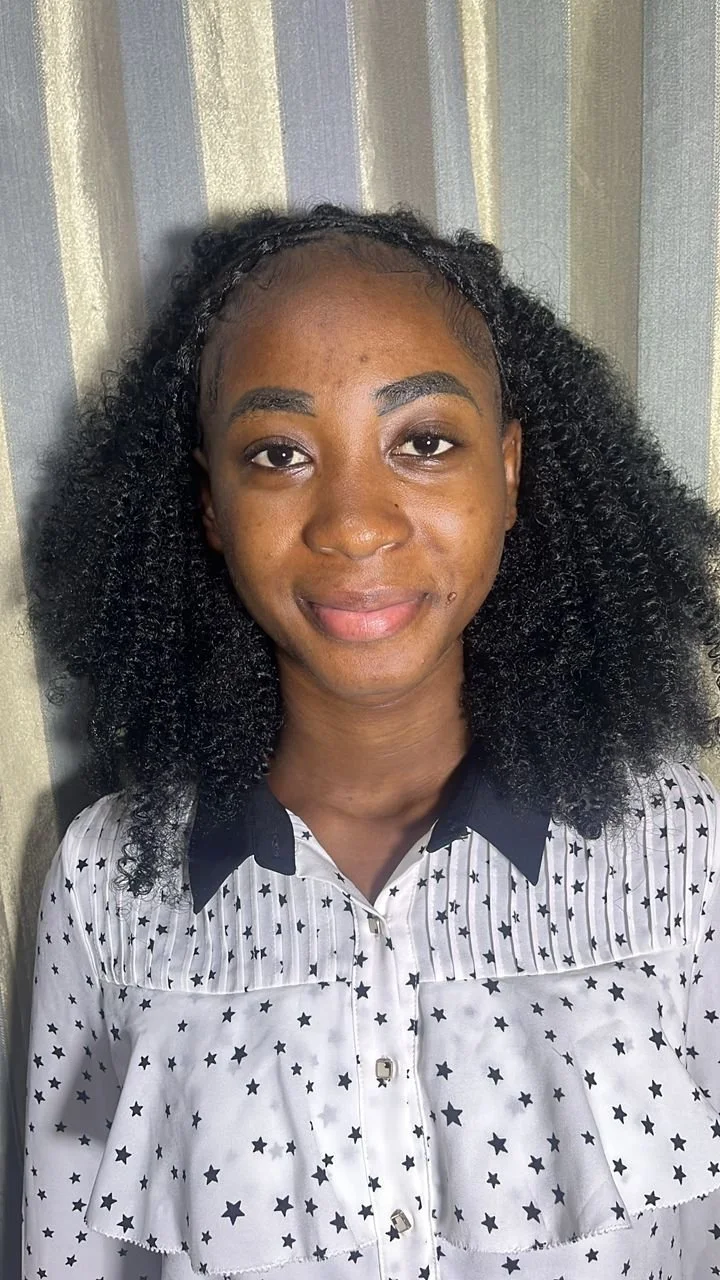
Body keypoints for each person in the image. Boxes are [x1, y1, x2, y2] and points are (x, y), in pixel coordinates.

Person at [20, 202, 720, 1279]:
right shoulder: (112, 880)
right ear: (211, 503)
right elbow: (66, 1246)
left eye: (425, 440)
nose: (354, 519)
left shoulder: (682, 848)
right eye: (279, 452)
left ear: (510, 469)